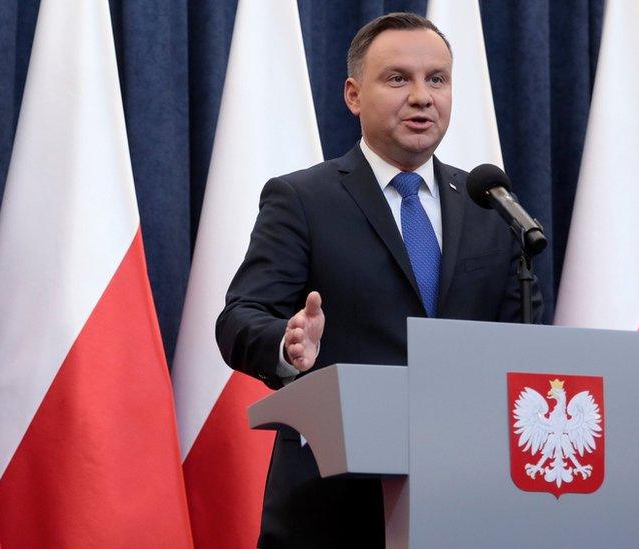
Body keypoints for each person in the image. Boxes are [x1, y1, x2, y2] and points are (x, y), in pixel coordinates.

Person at [216, 12, 543, 548]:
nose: (421, 96)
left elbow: (519, 346)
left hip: (467, 500)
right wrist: (287, 344)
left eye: (436, 79)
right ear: (353, 94)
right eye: (398, 79)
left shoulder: (492, 207)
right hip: (336, 506)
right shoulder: (302, 199)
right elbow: (239, 317)